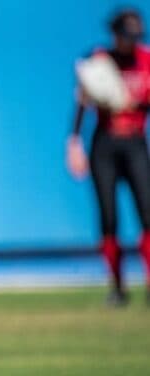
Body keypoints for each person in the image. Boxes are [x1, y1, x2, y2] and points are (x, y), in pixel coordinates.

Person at [67, 8, 150, 307]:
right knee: (108, 217)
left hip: (136, 142)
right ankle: (117, 288)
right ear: (115, 34)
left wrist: (134, 101)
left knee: (147, 213)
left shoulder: (145, 60)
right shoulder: (100, 60)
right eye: (126, 35)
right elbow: (83, 101)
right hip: (105, 144)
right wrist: (74, 142)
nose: (131, 42)